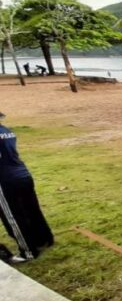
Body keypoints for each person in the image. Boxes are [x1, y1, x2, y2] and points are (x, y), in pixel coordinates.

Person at [0, 112, 54, 263]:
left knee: (13, 217)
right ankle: (44, 238)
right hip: (23, 175)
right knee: (31, 209)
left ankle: (28, 251)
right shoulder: (6, 131)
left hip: (5, 181)